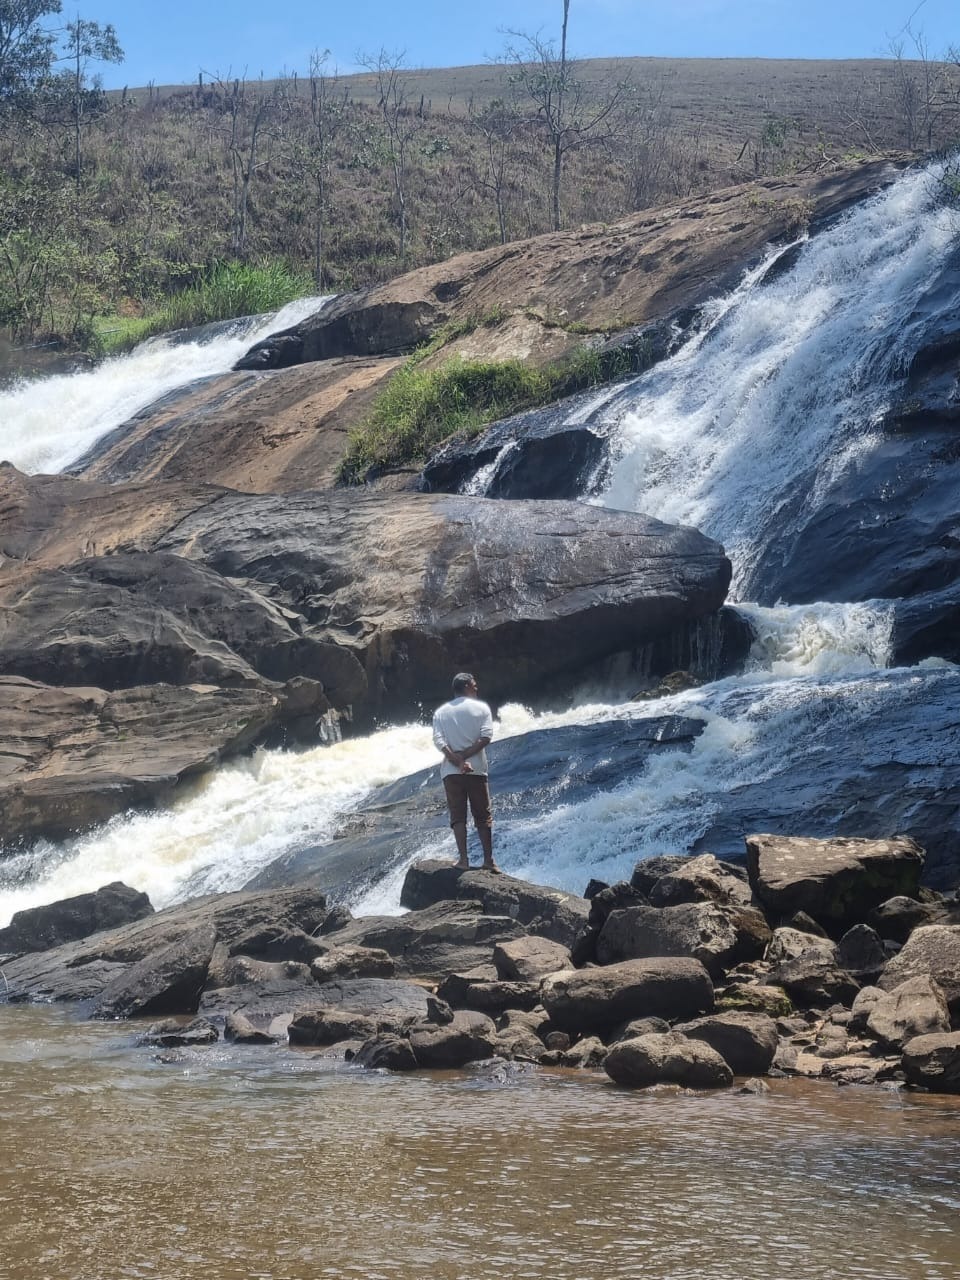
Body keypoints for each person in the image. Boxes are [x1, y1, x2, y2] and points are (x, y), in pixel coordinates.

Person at [432, 672, 500, 873]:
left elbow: (438, 741)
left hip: (451, 773)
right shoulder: (481, 708)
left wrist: (457, 760)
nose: (477, 688)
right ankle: (489, 861)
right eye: (475, 685)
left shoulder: (441, 712)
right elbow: (486, 737)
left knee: (458, 816)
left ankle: (463, 860)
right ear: (468, 686)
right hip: (477, 770)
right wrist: (467, 758)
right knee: (483, 815)